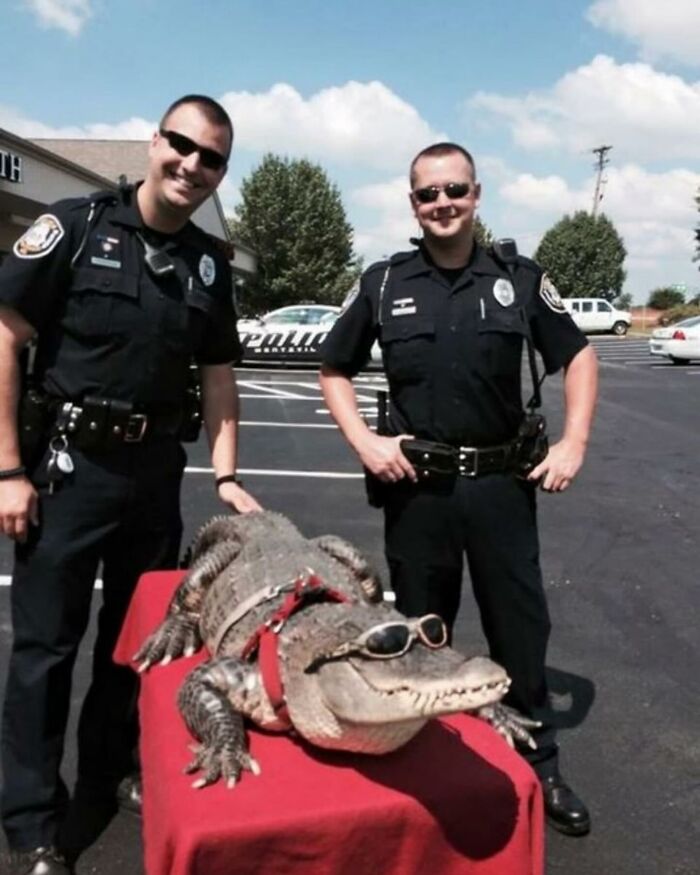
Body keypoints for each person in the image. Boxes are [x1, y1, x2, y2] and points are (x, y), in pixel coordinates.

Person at [0, 95, 261, 874]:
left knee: (138, 645)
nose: (191, 164)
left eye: (210, 157)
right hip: (68, 471)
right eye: (180, 145)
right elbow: (7, 340)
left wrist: (227, 473)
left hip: (154, 476)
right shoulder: (76, 226)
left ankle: (110, 771)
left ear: (220, 172)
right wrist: (8, 467)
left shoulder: (209, 264)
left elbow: (218, 378)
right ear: (154, 143)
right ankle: (31, 819)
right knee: (46, 650)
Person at [320, 142, 598, 837]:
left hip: (503, 487)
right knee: (419, 632)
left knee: (520, 629)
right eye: (427, 194)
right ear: (412, 203)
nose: (442, 203)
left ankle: (539, 764)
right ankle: (422, 764)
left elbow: (580, 354)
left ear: (477, 194)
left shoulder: (518, 278)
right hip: (420, 491)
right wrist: (364, 441)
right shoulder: (384, 281)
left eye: (454, 190)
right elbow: (333, 366)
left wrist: (573, 443)